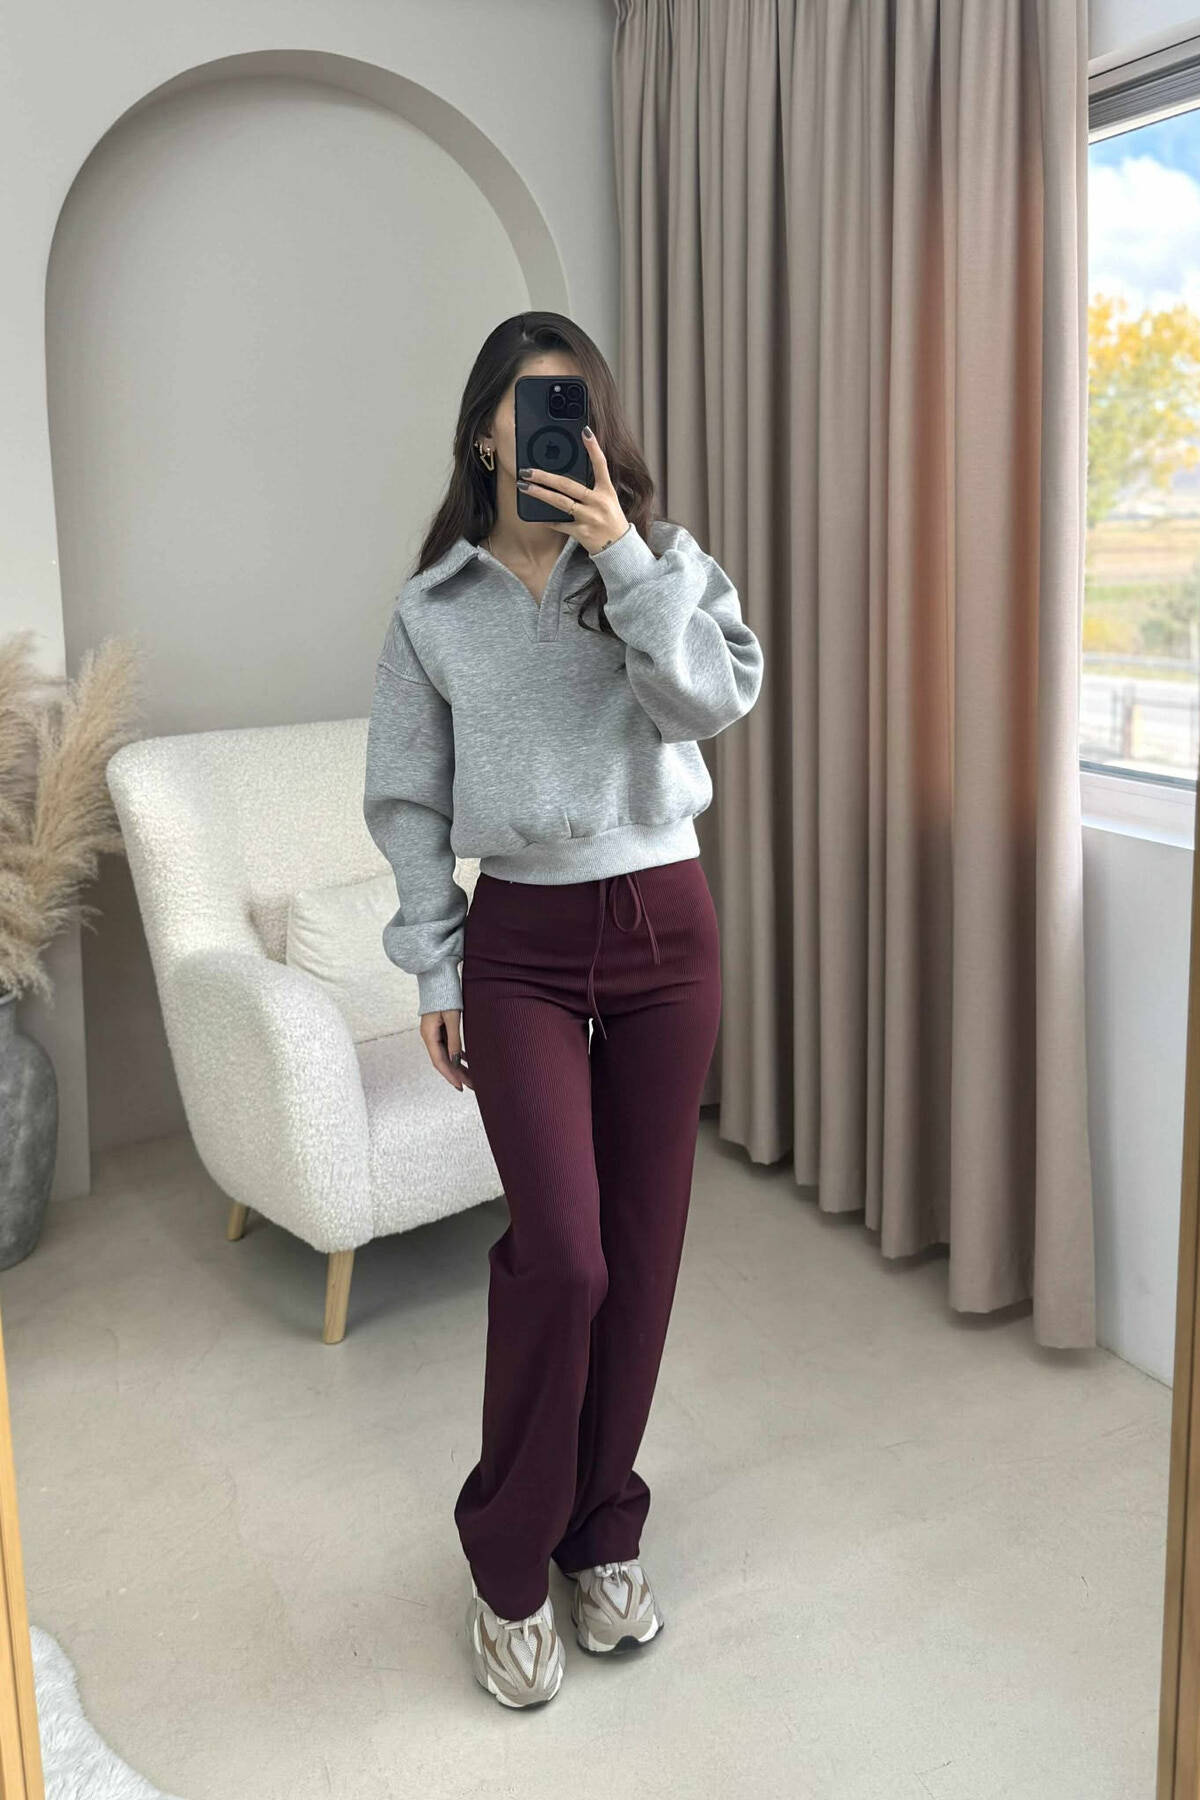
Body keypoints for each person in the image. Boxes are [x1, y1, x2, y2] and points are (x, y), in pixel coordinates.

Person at [362, 310, 764, 1709]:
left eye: (576, 403)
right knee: (569, 1259)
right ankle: (508, 1561)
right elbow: (408, 801)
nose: (554, 425)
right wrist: (434, 964)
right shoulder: (433, 609)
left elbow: (711, 703)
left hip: (666, 925)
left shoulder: (660, 561)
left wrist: (626, 558)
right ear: (486, 430)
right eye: (531, 403)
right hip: (521, 942)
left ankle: (604, 1532)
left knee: (644, 1257)